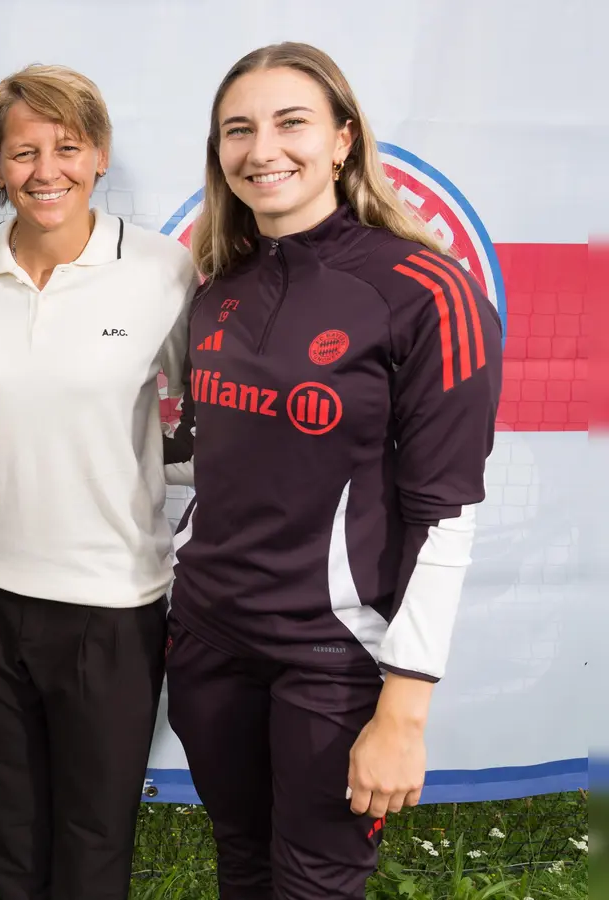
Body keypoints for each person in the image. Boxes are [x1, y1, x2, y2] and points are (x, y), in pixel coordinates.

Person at [164, 42, 503, 899]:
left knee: (315, 882)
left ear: (344, 138)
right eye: (237, 130)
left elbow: (446, 512)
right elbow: (207, 465)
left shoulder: (428, 289)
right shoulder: (218, 286)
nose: (261, 149)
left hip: (334, 655)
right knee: (240, 860)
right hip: (208, 638)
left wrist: (405, 708)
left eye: (291, 123)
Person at [0, 64, 197, 900]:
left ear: (101, 155)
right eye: (22, 152)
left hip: (112, 602)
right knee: (12, 836)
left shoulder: (164, 270)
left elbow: (211, 417)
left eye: (67, 147)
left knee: (92, 844)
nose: (45, 171)